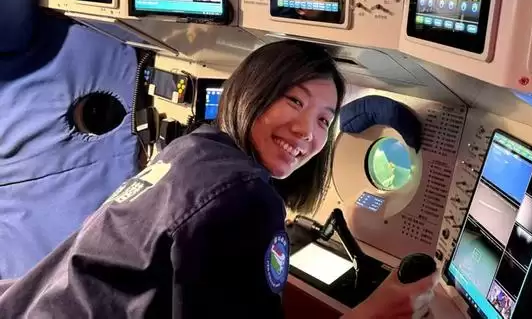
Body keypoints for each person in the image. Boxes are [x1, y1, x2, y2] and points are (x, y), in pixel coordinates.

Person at [0, 40, 436, 318]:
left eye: (324, 119)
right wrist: (376, 312)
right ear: (253, 92)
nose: (308, 131)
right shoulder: (243, 196)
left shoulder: (192, 149)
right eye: (294, 101)